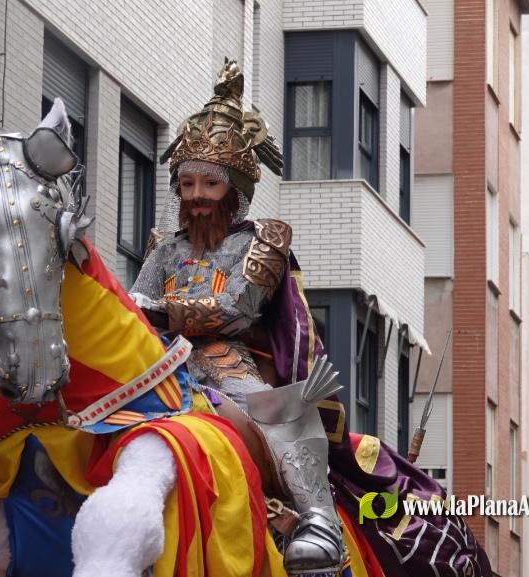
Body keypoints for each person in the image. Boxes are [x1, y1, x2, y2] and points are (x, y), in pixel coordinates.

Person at [128, 59, 344, 574]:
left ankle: (320, 521)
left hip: (228, 362)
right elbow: (134, 306)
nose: (197, 197)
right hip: (158, 357)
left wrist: (165, 313)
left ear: (235, 189)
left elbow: (234, 310)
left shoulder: (262, 240)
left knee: (281, 411)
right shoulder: (163, 248)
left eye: (210, 185)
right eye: (187, 185)